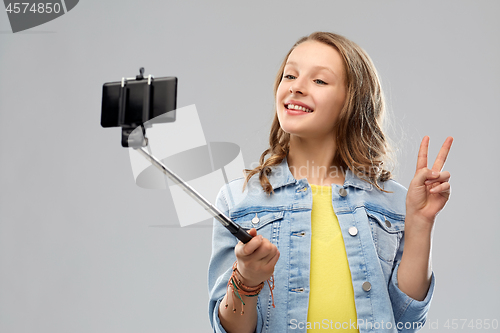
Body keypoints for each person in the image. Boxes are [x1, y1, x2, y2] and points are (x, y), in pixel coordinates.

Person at [207, 31, 453, 333]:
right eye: (290, 75)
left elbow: (406, 322)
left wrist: (420, 223)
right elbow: (230, 329)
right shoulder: (239, 200)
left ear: (352, 101)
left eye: (319, 80)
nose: (296, 87)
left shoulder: (393, 202)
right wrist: (245, 280)